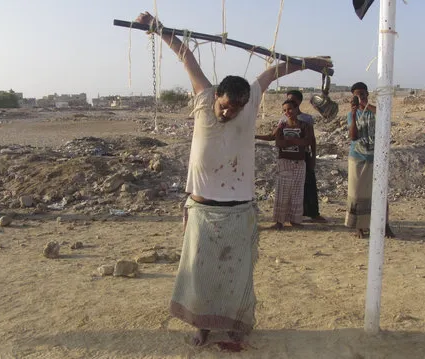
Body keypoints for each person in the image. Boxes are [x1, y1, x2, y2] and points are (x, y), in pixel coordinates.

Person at [134, 11, 332, 346]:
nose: (229, 113)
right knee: (199, 273)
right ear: (216, 97)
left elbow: (273, 71)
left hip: (239, 209)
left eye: (236, 109)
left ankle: (238, 332)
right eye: (225, 106)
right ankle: (204, 327)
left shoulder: (251, 99)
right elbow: (186, 55)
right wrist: (158, 28)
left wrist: (308, 63)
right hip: (201, 207)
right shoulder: (203, 95)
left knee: (236, 274)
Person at [255, 90, 327, 222]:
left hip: (303, 156)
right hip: (287, 158)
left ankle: (313, 213)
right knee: (288, 188)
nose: (288, 110)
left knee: (307, 185)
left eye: (292, 101)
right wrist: (255, 136)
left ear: (298, 102)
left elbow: (311, 140)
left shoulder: (306, 119)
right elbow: (274, 137)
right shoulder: (283, 120)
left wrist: (313, 156)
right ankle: (287, 217)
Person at [345, 82, 394, 239]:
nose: (360, 97)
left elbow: (384, 116)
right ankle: (359, 226)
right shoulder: (351, 114)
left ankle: (384, 224)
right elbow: (353, 136)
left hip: (377, 157)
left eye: (363, 94)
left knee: (380, 191)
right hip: (358, 157)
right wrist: (353, 114)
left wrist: (366, 104)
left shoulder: (375, 111)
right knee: (357, 192)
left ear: (367, 94)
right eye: (357, 95)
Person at [270, 100, 315, 229]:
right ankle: (279, 221)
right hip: (284, 161)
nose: (287, 112)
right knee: (282, 192)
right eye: (284, 110)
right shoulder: (282, 126)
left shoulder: (305, 125)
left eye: (289, 109)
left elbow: (307, 141)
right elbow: (279, 142)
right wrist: (297, 141)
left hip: (300, 162)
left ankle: (295, 220)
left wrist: (290, 140)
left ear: (296, 109)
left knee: (297, 192)